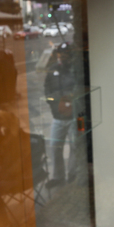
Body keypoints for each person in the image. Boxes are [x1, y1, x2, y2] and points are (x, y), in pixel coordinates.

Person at [44, 42, 78, 187]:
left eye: (65, 54)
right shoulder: (53, 70)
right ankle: (58, 176)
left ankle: (73, 174)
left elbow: (80, 90)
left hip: (74, 117)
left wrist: (73, 104)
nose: (62, 57)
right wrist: (54, 105)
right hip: (58, 117)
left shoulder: (75, 71)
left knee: (75, 146)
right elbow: (47, 90)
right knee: (54, 146)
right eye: (60, 54)